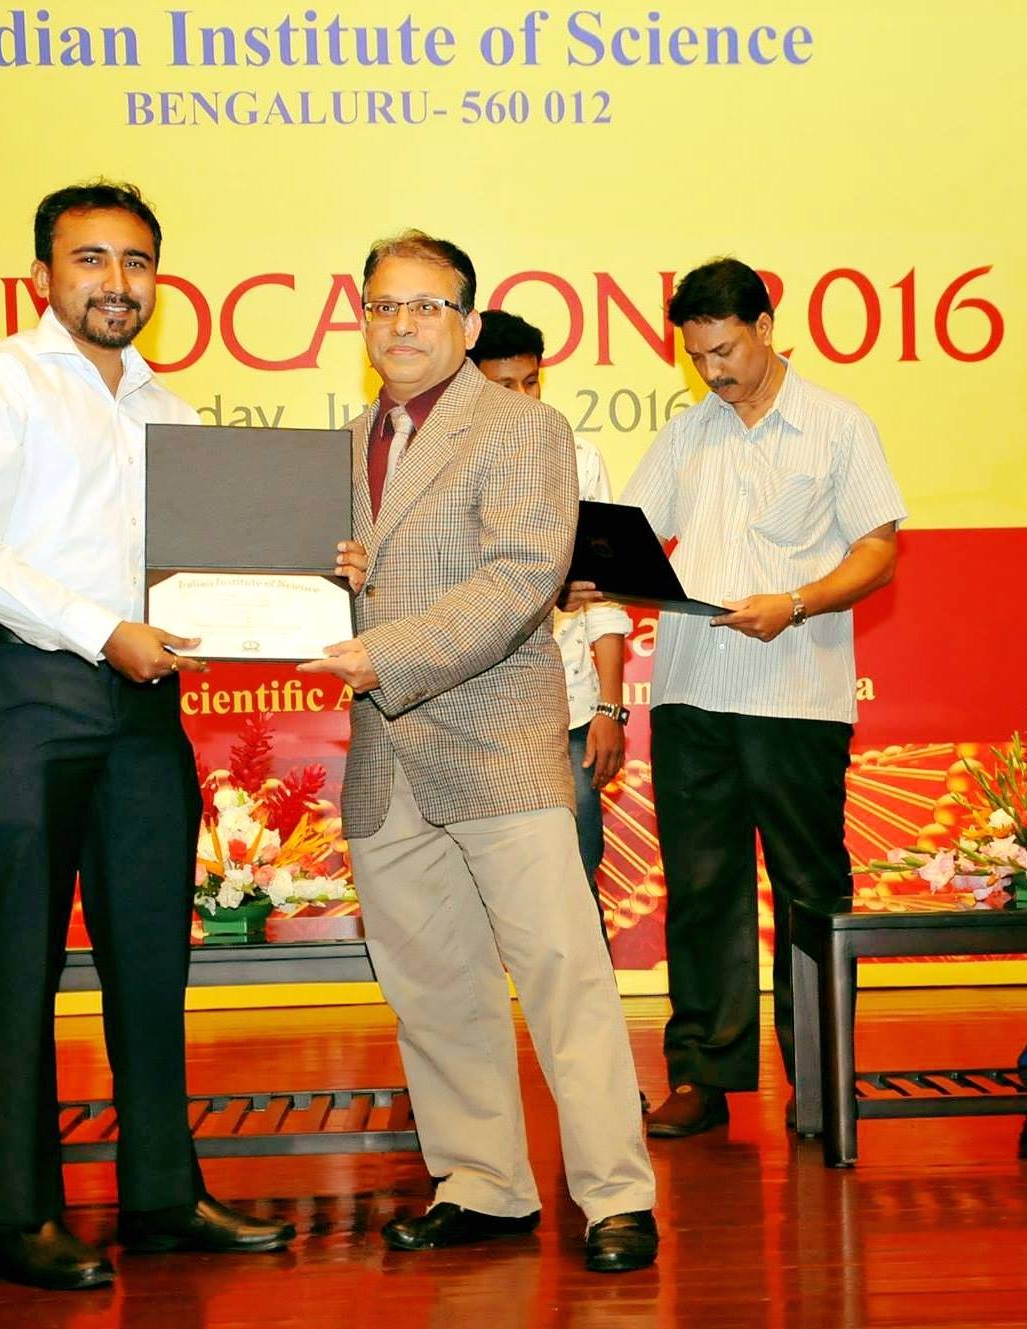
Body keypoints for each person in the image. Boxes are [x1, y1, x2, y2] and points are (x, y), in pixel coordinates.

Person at [0, 181, 293, 1290]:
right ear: (43, 275)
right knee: (23, 951)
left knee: (150, 948)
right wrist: (99, 630)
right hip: (21, 688)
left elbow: (204, 566)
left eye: (135, 262)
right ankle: (19, 1214)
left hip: (139, 701)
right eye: (90, 259)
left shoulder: (171, 413)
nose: (115, 283)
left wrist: (313, 576)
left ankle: (164, 1196)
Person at [301, 230, 657, 1273]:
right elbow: (347, 585)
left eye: (426, 306)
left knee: (562, 976)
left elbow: (517, 580)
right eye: (383, 306)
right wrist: (328, 580)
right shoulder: (342, 445)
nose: (402, 325)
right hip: (387, 758)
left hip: (498, 743)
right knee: (434, 988)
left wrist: (383, 651)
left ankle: (616, 1195)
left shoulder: (522, 426)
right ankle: (482, 1184)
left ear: (464, 321)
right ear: (361, 320)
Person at [614, 257, 905, 1137]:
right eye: (697, 356)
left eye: (725, 350)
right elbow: (633, 533)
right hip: (690, 689)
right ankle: (702, 1076)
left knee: (809, 887)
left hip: (795, 692)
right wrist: (600, 569)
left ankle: (818, 1078)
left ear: (765, 329)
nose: (713, 371)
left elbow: (877, 550)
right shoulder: (684, 435)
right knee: (701, 886)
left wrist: (798, 602)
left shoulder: (836, 426)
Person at [469, 310, 632, 925]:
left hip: (570, 711)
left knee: (576, 882)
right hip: (477, 710)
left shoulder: (579, 458)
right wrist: (547, 594)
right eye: (504, 385)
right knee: (481, 895)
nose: (523, 398)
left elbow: (604, 596)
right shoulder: (449, 465)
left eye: (531, 382)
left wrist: (611, 709)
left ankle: (586, 995)